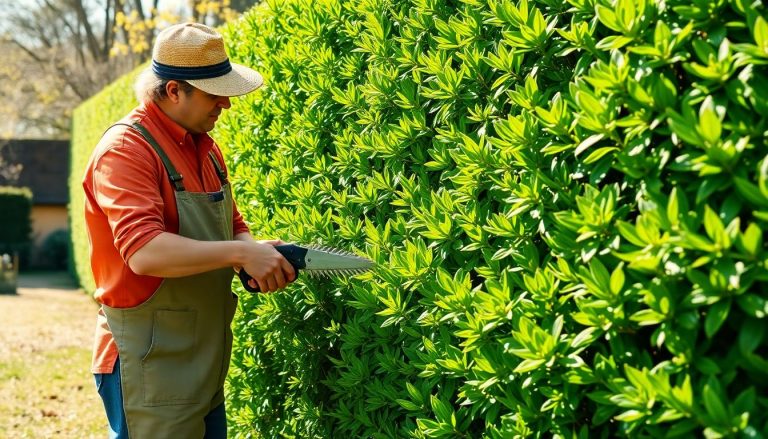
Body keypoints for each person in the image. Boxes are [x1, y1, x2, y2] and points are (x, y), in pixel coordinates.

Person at [82, 23, 296, 438]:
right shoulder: (126, 149)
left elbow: (233, 226)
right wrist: (240, 254)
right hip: (149, 360)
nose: (226, 104)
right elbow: (144, 252)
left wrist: (255, 253)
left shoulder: (206, 149)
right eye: (214, 93)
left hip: (204, 356)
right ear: (174, 91)